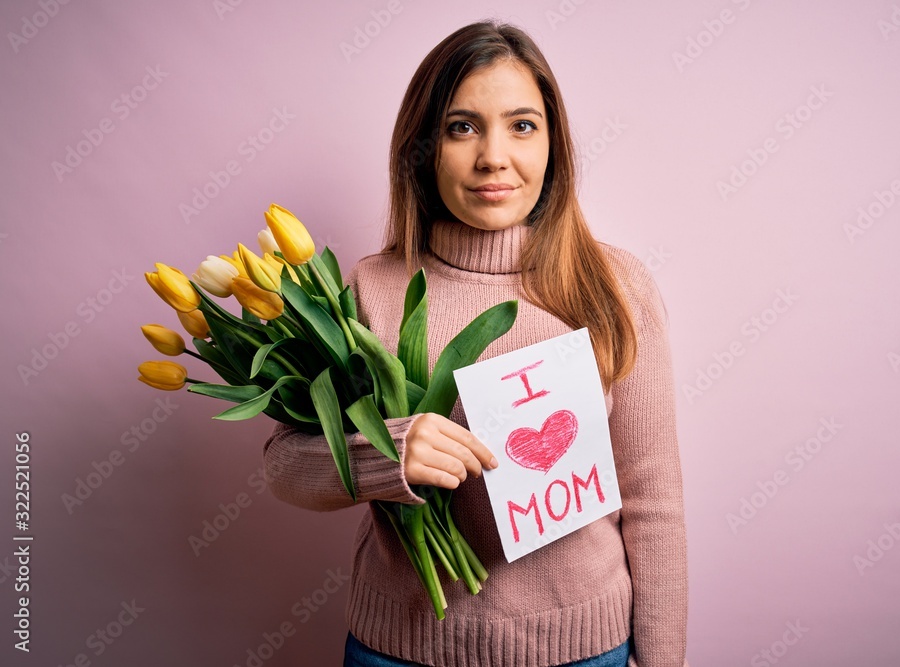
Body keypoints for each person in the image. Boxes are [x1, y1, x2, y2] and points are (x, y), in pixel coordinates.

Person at [262, 20, 689, 667]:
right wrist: (388, 456)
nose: (494, 155)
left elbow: (654, 500)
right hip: (401, 648)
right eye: (463, 126)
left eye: (522, 125)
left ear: (554, 144)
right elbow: (284, 463)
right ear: (424, 146)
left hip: (581, 650)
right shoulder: (372, 288)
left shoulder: (613, 285)